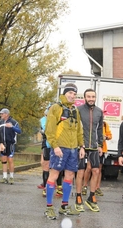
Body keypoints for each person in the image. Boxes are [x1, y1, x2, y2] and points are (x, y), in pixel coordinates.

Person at [44, 83, 85, 220]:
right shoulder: (56, 108)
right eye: (70, 93)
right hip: (60, 147)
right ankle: (49, 208)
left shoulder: (75, 110)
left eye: (74, 94)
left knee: (69, 176)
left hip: (73, 149)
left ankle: (64, 206)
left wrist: (82, 146)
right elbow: (49, 130)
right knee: (54, 175)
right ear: (64, 93)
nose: (72, 96)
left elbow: (79, 130)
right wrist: (54, 146)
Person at [75, 89, 103, 212]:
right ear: (85, 97)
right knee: (81, 172)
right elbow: (75, 128)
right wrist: (80, 144)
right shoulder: (78, 110)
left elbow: (100, 129)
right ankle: (78, 196)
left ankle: (91, 197)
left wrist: (100, 144)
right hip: (82, 146)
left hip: (94, 147)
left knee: (96, 171)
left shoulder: (99, 111)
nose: (91, 98)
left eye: (93, 96)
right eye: (89, 96)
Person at [0, 108, 22, 184]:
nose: (1, 115)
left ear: (6, 114)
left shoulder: (13, 122)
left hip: (10, 143)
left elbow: (19, 131)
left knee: (10, 160)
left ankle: (11, 177)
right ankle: (4, 177)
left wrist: (12, 127)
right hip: (2, 144)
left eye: (2, 114)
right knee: (3, 160)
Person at [96, 113, 112, 196]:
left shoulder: (105, 124)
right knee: (89, 168)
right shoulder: (94, 123)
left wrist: (105, 137)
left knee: (99, 168)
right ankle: (85, 186)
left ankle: (97, 187)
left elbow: (110, 135)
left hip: (103, 148)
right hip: (93, 148)